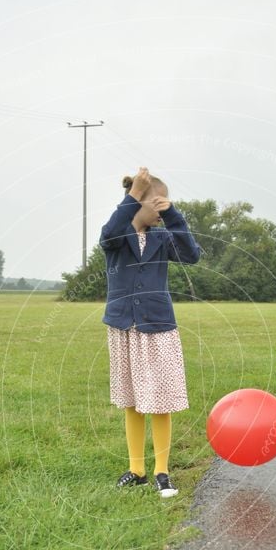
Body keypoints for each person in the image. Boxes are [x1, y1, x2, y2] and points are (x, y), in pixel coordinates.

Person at [99, 166, 202, 498]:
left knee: (160, 402)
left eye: (165, 205)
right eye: (157, 203)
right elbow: (109, 232)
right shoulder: (117, 238)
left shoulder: (162, 238)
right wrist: (132, 195)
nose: (161, 211)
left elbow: (191, 254)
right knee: (132, 401)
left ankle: (162, 471)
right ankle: (136, 469)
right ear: (138, 202)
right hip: (123, 329)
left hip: (156, 328)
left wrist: (171, 213)